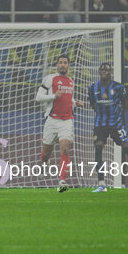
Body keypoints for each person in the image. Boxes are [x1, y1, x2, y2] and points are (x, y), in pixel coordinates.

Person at [88, 63, 128, 192]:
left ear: (111, 72)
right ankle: (102, 183)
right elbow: (92, 104)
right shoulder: (92, 87)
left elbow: (124, 102)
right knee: (98, 147)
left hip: (116, 122)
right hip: (100, 123)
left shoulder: (118, 87)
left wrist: (118, 116)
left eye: (107, 70)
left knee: (127, 146)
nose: (105, 71)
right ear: (99, 71)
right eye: (102, 69)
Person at [35, 54, 84, 193]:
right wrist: (53, 96)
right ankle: (45, 162)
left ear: (69, 65)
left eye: (65, 63)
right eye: (60, 62)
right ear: (57, 65)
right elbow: (38, 97)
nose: (63, 65)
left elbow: (68, 100)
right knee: (46, 153)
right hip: (51, 119)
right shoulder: (50, 79)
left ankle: (62, 181)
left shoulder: (71, 81)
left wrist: (76, 103)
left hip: (67, 120)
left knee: (64, 148)